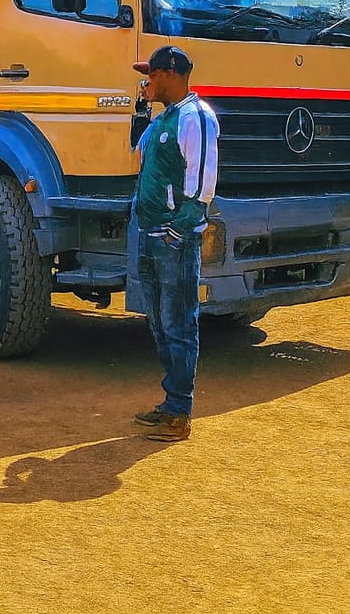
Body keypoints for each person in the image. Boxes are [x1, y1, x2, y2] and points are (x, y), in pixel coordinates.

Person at [130, 44, 218, 443]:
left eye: (150, 75)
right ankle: (170, 403)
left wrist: (177, 232)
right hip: (150, 236)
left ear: (169, 73)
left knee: (179, 324)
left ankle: (180, 413)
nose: (145, 81)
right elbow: (137, 159)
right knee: (160, 324)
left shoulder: (196, 118)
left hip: (173, 240)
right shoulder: (162, 119)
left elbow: (200, 187)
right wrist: (139, 114)